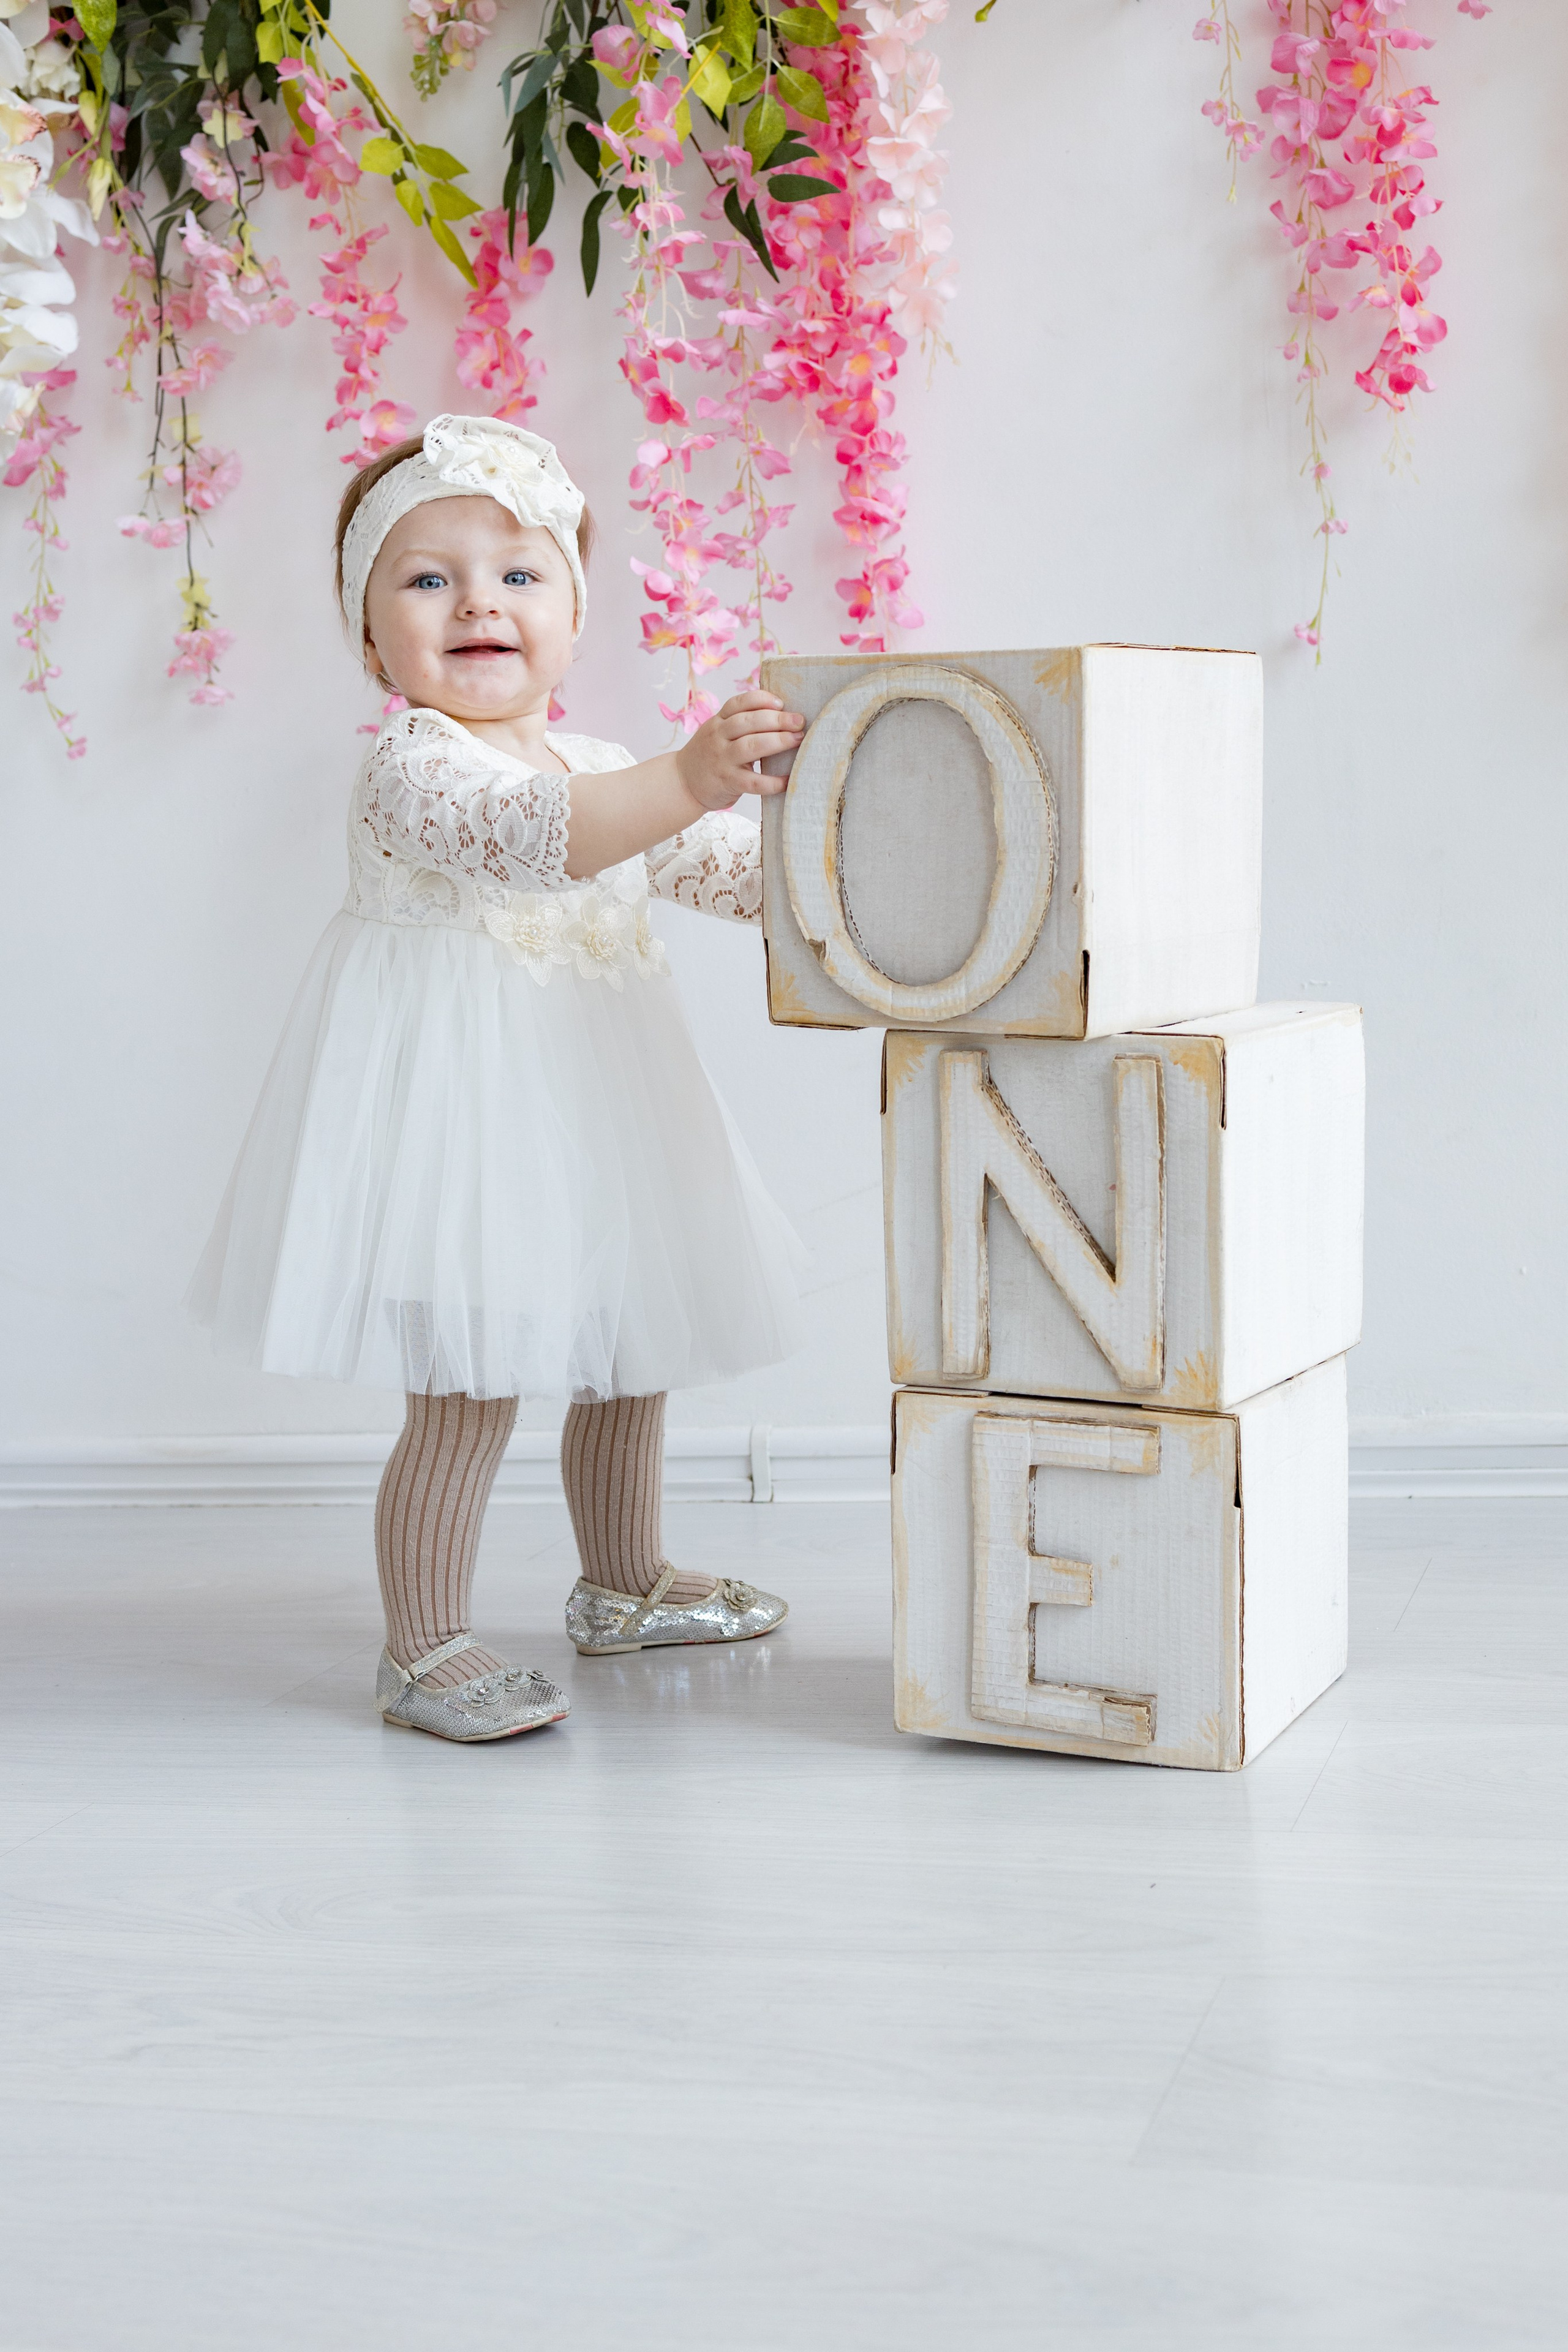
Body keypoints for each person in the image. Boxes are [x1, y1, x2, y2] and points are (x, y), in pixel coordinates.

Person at [189, 412, 808, 1744]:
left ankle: (624, 1578)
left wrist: (829, 843)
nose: (479, 601)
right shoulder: (412, 768)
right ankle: (421, 1646)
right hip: (458, 1131)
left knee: (625, 1353)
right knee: (467, 1383)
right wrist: (692, 775)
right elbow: (540, 839)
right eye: (428, 579)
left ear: (573, 617)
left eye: (520, 575)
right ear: (371, 642)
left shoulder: (598, 765)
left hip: (597, 1114)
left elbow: (731, 873)